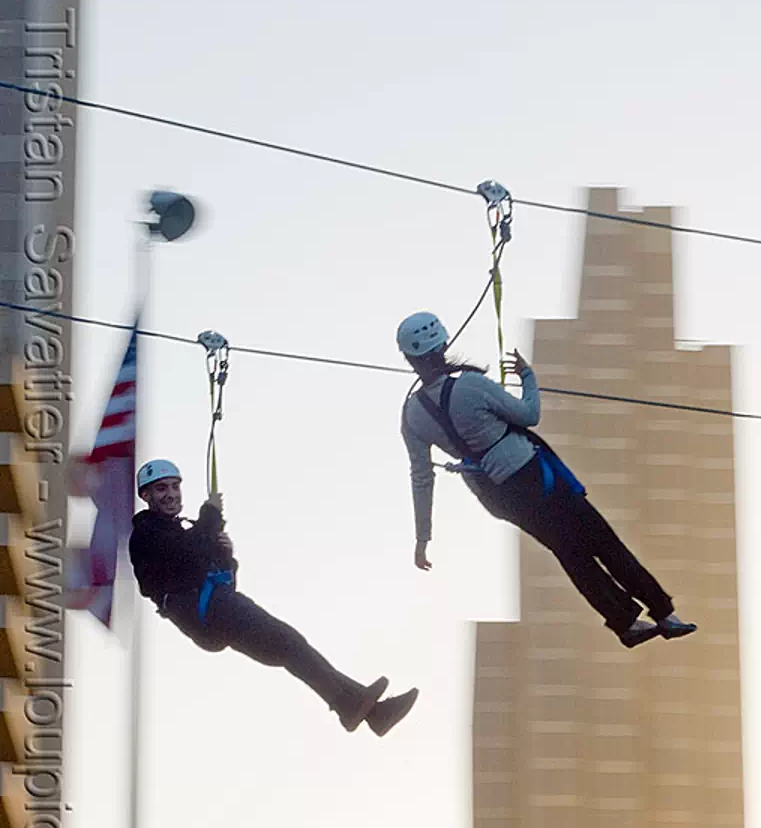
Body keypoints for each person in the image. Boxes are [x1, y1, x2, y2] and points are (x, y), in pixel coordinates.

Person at [397, 312, 697, 649]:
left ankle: (626, 623)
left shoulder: (412, 415)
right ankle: (662, 613)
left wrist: (423, 537)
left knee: (570, 552)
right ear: (443, 342)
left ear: (408, 358)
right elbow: (529, 415)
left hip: (499, 497)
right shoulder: (469, 385)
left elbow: (421, 478)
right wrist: (527, 376)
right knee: (601, 541)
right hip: (533, 476)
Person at [128, 459, 418, 735]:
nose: (171, 495)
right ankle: (355, 706)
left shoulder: (183, 531)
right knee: (290, 644)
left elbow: (219, 575)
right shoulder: (146, 532)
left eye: (174, 487)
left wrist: (225, 556)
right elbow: (181, 554)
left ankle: (371, 713)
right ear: (147, 495)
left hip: (216, 612)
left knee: (288, 650)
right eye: (161, 489)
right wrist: (210, 517)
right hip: (211, 611)